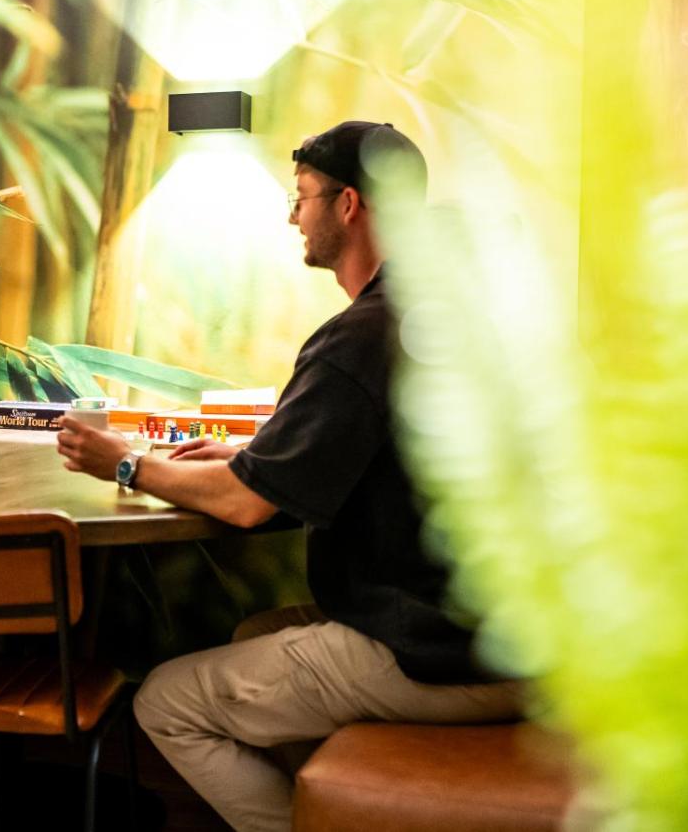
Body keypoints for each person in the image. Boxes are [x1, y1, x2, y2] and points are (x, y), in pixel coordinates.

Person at [56, 122, 524, 832]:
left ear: (349, 204)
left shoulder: (360, 336)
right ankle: (332, 812)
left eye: (300, 197)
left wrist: (125, 461)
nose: (291, 217)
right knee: (253, 631)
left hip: (436, 653)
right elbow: (369, 455)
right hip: (505, 638)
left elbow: (245, 507)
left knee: (166, 703)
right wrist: (251, 459)